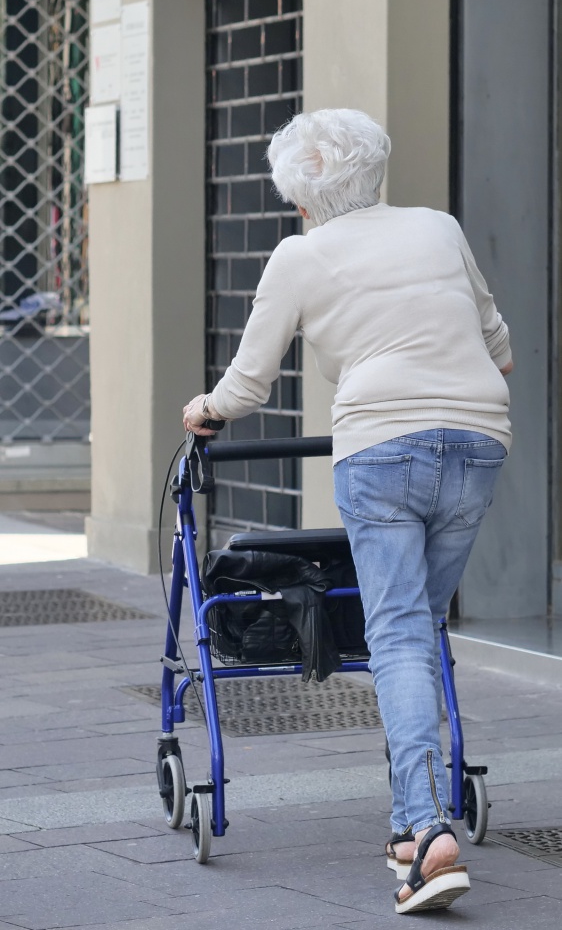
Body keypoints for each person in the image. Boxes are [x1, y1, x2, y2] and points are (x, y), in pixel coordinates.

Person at [183, 108, 512, 915]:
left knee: (396, 633)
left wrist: (206, 410)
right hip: (477, 440)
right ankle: (410, 822)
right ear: (376, 172)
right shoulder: (437, 227)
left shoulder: (300, 253)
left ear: (302, 197)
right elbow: (497, 339)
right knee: (419, 628)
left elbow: (250, 381)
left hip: (383, 448)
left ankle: (431, 830)